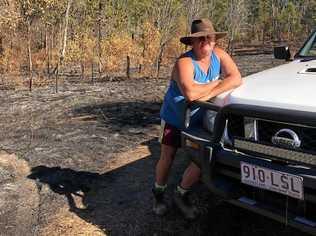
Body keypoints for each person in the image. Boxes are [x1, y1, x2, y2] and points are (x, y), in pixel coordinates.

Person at [153, 18, 242, 219]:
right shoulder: (184, 62)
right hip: (175, 118)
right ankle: (158, 194)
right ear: (191, 43)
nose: (205, 43)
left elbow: (236, 77)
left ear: (214, 41)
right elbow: (191, 95)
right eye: (200, 39)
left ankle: (181, 193)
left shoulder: (219, 55)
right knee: (168, 156)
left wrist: (207, 88)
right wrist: (219, 83)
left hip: (200, 118)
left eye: (209, 39)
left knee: (203, 157)